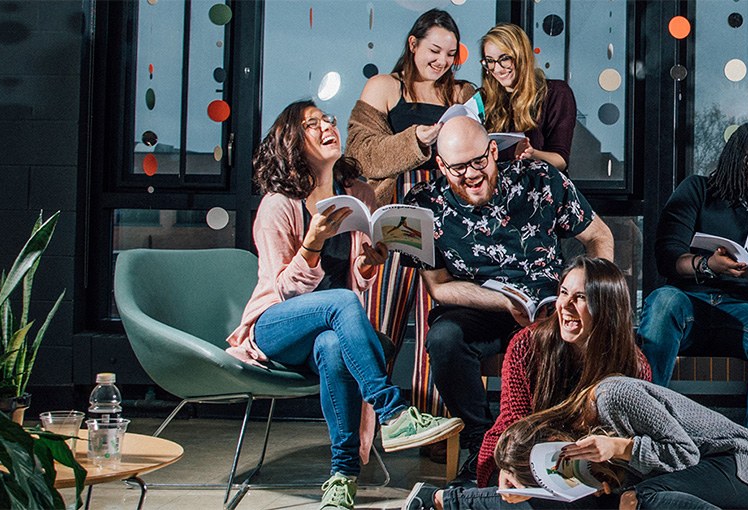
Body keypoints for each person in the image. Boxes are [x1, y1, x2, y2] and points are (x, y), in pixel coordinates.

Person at [224, 101, 464, 510]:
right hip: (275, 327)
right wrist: (312, 243)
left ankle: (341, 476)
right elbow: (284, 293)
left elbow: (356, 282)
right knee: (340, 303)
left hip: (327, 332)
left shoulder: (358, 193)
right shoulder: (278, 205)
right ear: (292, 143)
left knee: (335, 347)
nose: (326, 127)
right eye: (311, 125)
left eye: (327, 120)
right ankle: (394, 412)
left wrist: (369, 265)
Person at [407, 115, 616, 486]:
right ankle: (480, 442)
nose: (471, 175)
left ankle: (545, 445)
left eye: (478, 162)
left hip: (546, 307)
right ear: (440, 165)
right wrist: (502, 303)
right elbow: (438, 286)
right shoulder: (424, 205)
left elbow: (600, 236)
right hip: (476, 308)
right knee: (442, 339)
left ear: (492, 151)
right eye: (457, 168)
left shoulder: (539, 179)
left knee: (556, 341)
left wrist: (591, 297)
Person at [637, 120, 748, 442]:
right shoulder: (698, 189)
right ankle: (644, 433)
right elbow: (667, 257)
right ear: (736, 155)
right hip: (689, 305)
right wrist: (708, 265)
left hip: (746, 314)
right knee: (663, 300)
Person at [401, 377, 748, 510]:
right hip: (701, 478)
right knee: (596, 502)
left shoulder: (611, 397)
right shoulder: (581, 437)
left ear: (554, 439)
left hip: (740, 464)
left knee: (640, 500)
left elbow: (684, 453)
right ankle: (441, 500)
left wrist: (620, 448)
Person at [346, 9, 477, 386]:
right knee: (377, 324)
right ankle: (364, 430)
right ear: (413, 44)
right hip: (395, 212)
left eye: (451, 54)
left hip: (447, 218)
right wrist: (415, 140)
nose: (442, 62)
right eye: (434, 50)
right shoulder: (384, 87)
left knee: (437, 324)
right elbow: (359, 152)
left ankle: (438, 433)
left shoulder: (462, 93)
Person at [477, 24, 578, 170]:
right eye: (490, 61)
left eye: (504, 59)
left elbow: (561, 161)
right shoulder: (483, 99)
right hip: (496, 189)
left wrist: (531, 154)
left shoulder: (555, 92)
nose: (497, 69)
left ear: (521, 56)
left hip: (539, 187)